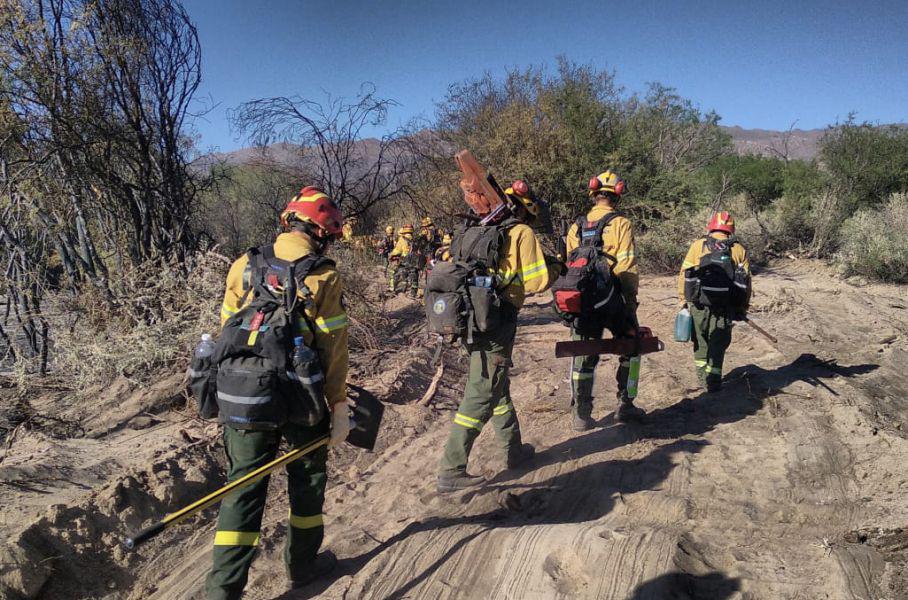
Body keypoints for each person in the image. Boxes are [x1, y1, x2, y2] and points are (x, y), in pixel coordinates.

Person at [206, 186, 350, 600]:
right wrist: (338, 405)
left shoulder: (243, 265)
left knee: (243, 488)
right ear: (320, 231)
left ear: (289, 221)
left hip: (244, 394)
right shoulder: (322, 274)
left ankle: (223, 590)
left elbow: (227, 332)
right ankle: (302, 567)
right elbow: (332, 348)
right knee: (306, 480)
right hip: (300, 398)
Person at [437, 181, 562, 492]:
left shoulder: (473, 229)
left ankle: (513, 450)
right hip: (498, 318)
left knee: (496, 384)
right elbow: (536, 282)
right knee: (482, 390)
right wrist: (556, 266)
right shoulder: (521, 232)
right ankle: (451, 469)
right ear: (527, 209)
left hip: (468, 316)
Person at [565, 170, 643, 430]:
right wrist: (630, 304)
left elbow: (570, 265)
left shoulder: (577, 225)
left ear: (593, 192)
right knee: (632, 346)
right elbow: (626, 266)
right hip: (614, 300)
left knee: (583, 356)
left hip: (585, 303)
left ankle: (581, 414)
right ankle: (626, 404)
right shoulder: (621, 223)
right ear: (617, 194)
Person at [678, 211, 751, 392]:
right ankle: (714, 380)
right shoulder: (738, 249)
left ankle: (703, 379)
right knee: (718, 342)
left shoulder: (698, 246)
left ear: (711, 227)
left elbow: (684, 274)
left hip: (699, 303)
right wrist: (743, 307)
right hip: (725, 306)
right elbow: (746, 282)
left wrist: (683, 299)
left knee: (700, 341)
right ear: (731, 229)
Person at [388, 224, 418, 297]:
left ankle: (393, 289)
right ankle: (413, 293)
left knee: (396, 274)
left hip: (405, 261)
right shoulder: (416, 238)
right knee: (414, 277)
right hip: (414, 261)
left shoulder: (402, 239)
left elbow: (397, 251)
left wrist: (391, 255)